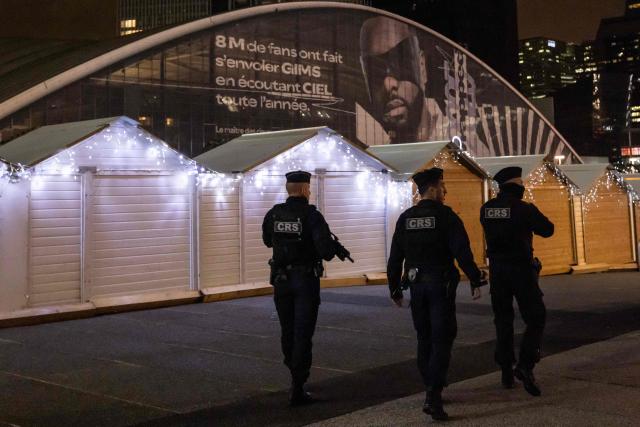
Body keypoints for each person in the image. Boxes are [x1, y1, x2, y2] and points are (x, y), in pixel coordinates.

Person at [387, 167, 487, 421]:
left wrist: (394, 288)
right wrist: (475, 278)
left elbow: (396, 257)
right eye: (442, 186)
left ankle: (431, 388)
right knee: (442, 338)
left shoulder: (406, 218)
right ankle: (434, 394)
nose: (445, 191)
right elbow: (461, 252)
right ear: (432, 189)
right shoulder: (446, 217)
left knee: (424, 338)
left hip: (416, 286)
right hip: (440, 287)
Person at [262, 170, 352, 406]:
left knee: (287, 330)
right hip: (305, 281)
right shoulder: (312, 215)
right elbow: (326, 252)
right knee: (303, 332)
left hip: (281, 281)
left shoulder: (274, 213)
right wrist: (331, 248)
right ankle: (298, 384)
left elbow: (267, 240)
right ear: (303, 189)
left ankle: (293, 373)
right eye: (309, 188)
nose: (310, 192)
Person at [480, 166, 554, 397]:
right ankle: (525, 364)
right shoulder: (524, 209)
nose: (524, 189)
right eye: (521, 186)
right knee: (536, 317)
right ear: (515, 187)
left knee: (503, 321)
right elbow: (548, 230)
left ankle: (505, 372)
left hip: (498, 273)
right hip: (521, 271)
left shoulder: (487, 209)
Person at [359, 16, 447, 144]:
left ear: (422, 67)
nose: (389, 84)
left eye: (400, 63)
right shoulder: (370, 148)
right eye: (375, 71)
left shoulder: (460, 138)